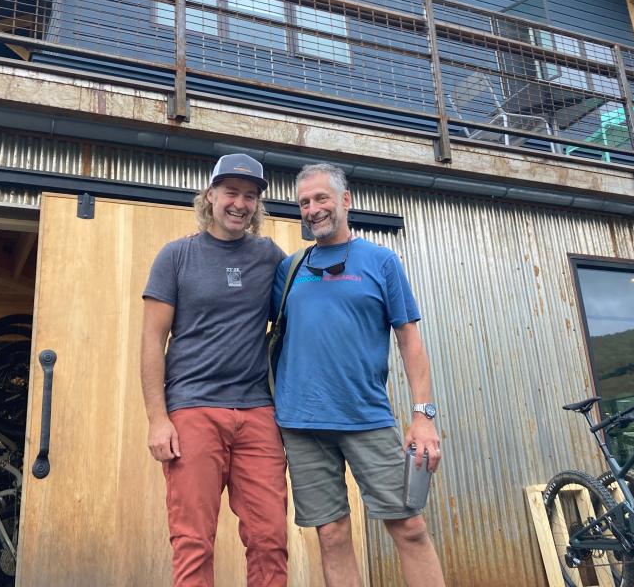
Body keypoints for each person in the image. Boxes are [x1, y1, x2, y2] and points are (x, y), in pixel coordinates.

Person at [273, 162, 445, 587]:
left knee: (409, 527)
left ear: (345, 201)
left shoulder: (381, 261)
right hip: (301, 423)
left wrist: (423, 416)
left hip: (366, 417)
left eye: (321, 198)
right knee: (331, 535)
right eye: (304, 202)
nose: (312, 209)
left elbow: (410, 341)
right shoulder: (290, 269)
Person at [140, 153, 288, 587]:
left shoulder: (270, 258)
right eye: (231, 192)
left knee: (269, 538)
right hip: (193, 411)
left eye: (250, 196)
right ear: (210, 196)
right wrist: (157, 419)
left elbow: (301, 314)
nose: (240, 203)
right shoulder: (176, 257)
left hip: (259, 414)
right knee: (193, 541)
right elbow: (152, 340)